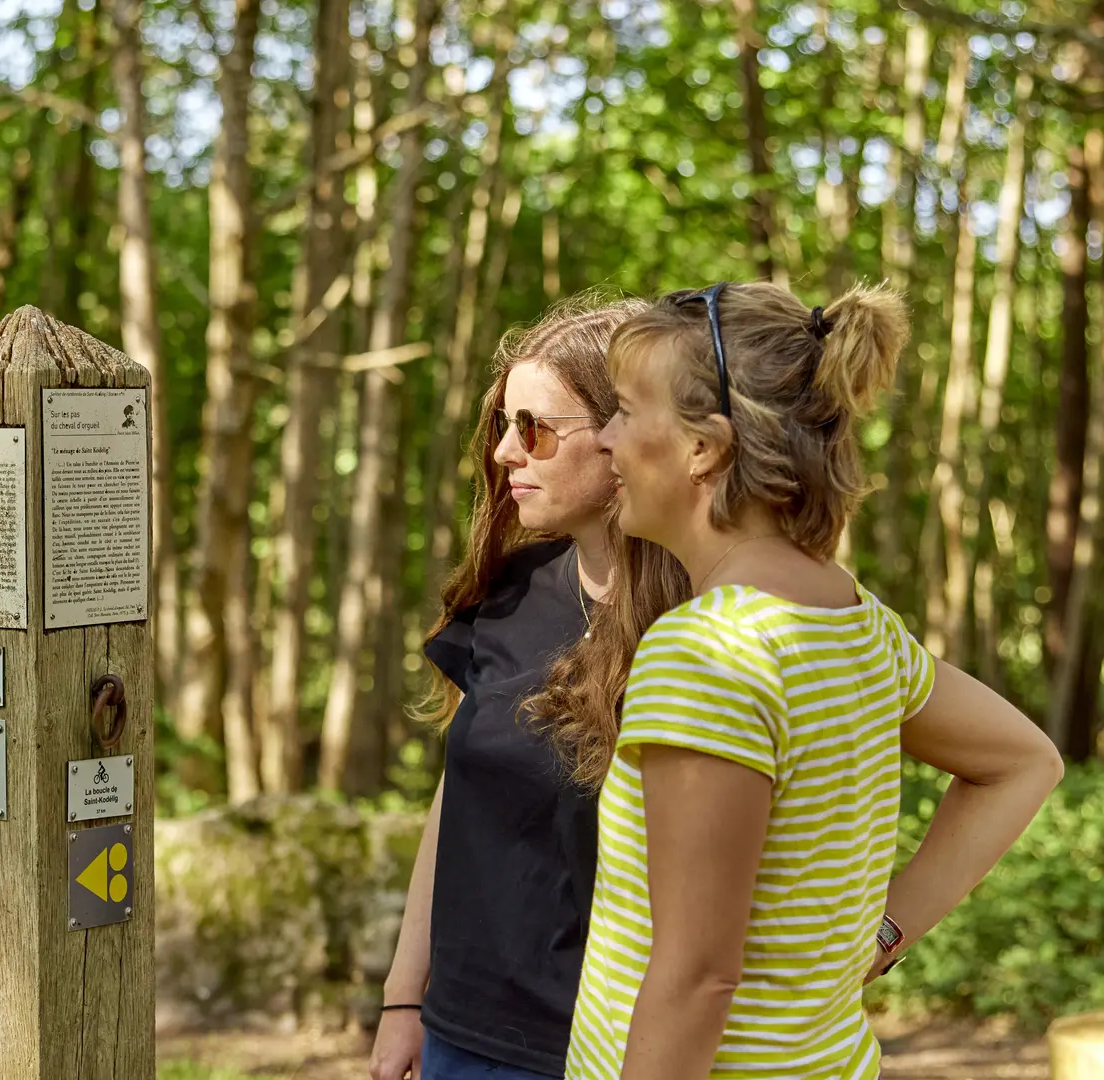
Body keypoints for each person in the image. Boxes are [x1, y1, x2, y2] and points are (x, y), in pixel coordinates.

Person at [564, 282, 1063, 1080]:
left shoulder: (705, 653)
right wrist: (885, 934)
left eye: (624, 411)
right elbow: (1025, 760)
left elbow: (697, 979)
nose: (605, 441)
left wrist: (880, 933)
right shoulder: (858, 623)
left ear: (704, 448)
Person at [369, 297, 688, 1080]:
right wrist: (405, 998)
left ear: (625, 438)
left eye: (536, 429)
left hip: (605, 1049)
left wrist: (876, 937)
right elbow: (460, 798)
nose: (508, 453)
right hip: (458, 1035)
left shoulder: (714, 628)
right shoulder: (507, 592)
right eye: (503, 427)